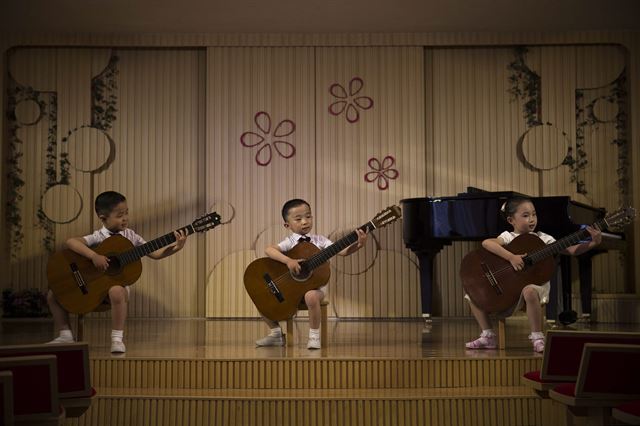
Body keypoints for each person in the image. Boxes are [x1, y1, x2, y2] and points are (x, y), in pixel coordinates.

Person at [47, 191, 188, 353]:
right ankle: (65, 335)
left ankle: (117, 339)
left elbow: (155, 254)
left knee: (116, 290)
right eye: (120, 215)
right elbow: (71, 242)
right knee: (53, 294)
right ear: (103, 217)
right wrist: (94, 256)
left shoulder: (131, 236)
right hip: (93, 289)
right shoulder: (98, 236)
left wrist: (176, 247)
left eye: (127, 213)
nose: (125, 218)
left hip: (115, 290)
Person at [465, 196, 602, 353]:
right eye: (525, 215)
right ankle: (488, 335)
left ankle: (537, 337)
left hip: (537, 288)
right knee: (472, 294)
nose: (531, 219)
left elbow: (570, 250)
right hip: (511, 291)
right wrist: (511, 257)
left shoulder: (544, 239)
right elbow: (487, 243)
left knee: (529, 290)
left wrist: (593, 243)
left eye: (534, 214)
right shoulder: (508, 237)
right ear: (511, 220)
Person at [256, 198, 367, 349]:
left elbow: (342, 251)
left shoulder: (319, 240)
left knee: (311, 296)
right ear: (287, 225)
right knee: (261, 297)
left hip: (315, 287)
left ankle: (314, 336)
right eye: (298, 219)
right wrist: (289, 261)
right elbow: (269, 249)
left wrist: (358, 245)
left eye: (308, 216)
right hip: (292, 288)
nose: (305, 221)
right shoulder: (289, 242)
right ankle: (275, 334)